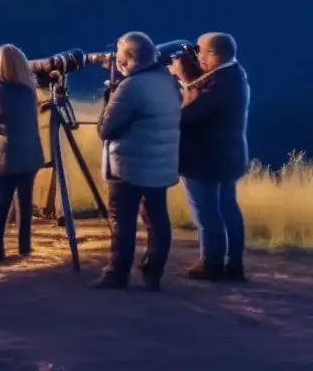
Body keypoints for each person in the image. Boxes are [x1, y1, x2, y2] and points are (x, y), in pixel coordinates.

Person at [93, 32, 182, 290]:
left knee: (122, 220)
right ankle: (153, 272)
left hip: (130, 166)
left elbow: (106, 130)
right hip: (160, 163)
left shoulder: (130, 87)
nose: (116, 60)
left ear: (129, 58)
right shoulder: (167, 80)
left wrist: (108, 100)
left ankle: (117, 274)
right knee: (157, 219)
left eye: (119, 55)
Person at [171, 32, 250, 282]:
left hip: (204, 160)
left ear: (214, 54)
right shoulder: (233, 73)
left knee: (206, 212)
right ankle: (233, 263)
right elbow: (207, 92)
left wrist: (182, 78)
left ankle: (211, 264)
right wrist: (191, 77)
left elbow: (185, 116)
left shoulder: (219, 83)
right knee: (227, 209)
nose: (197, 56)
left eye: (201, 51)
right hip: (226, 156)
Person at [0, 44, 45, 265]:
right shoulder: (30, 89)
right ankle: (24, 246)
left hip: (4, 157)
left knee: (0, 204)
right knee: (24, 200)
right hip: (30, 153)